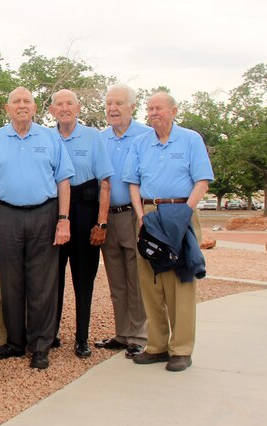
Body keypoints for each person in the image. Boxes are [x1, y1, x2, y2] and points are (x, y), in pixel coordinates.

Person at [0, 86, 74, 370]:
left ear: (35, 108)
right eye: (16, 101)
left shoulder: (51, 138)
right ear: (7, 108)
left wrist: (64, 219)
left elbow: (63, 181)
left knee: (42, 284)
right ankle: (15, 343)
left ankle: (40, 345)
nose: (21, 105)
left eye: (27, 101)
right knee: (11, 281)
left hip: (44, 214)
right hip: (6, 215)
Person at [124, 92, 213, 372]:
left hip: (181, 212)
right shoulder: (140, 143)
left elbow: (202, 181)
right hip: (148, 215)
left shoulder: (190, 139)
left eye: (158, 108)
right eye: (149, 109)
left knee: (180, 280)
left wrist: (185, 212)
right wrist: (140, 216)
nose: (153, 113)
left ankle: (182, 349)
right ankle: (157, 345)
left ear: (173, 111)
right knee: (151, 281)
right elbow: (133, 183)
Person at [49, 89, 114, 359]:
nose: (64, 108)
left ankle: (82, 337)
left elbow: (105, 183)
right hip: (55, 213)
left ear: (78, 108)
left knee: (83, 278)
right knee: (53, 279)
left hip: (86, 210)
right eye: (59, 105)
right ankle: (50, 333)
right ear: (52, 111)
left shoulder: (93, 137)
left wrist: (101, 223)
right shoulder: (46, 137)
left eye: (69, 104)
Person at [96, 84, 152, 358]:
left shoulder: (146, 136)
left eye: (118, 103)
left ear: (132, 106)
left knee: (136, 278)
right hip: (109, 217)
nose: (112, 109)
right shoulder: (101, 139)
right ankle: (122, 333)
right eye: (108, 104)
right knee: (116, 278)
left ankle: (140, 336)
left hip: (135, 215)